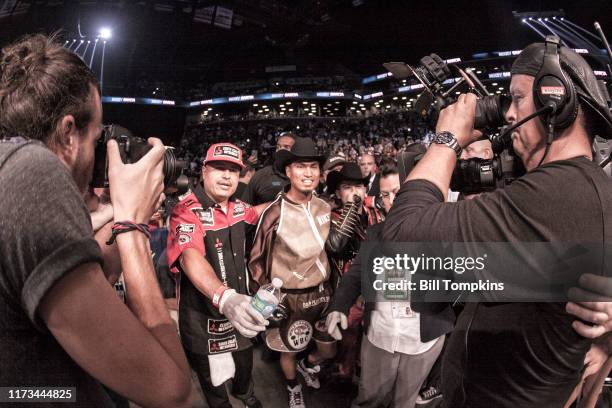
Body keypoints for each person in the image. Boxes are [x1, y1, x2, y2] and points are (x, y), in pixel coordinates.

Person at [381, 37, 612, 407]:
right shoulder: (581, 183)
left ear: (557, 102)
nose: (507, 113)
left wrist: (447, 139)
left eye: (517, 98)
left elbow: (401, 237)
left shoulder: (555, 193)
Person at [0, 34, 191, 407]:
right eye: (97, 137)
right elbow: (172, 392)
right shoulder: (31, 171)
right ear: (69, 133)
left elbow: (87, 289)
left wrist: (119, 214)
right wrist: (133, 227)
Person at [327, 163, 452, 408]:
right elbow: (356, 274)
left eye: (399, 191)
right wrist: (338, 306)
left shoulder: (445, 231)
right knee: (369, 399)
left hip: (422, 340)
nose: (392, 200)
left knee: (403, 402)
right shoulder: (375, 234)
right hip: (380, 336)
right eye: (385, 194)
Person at [166, 143, 270, 408]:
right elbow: (190, 256)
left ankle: (246, 396)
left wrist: (291, 199)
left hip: (241, 314)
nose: (226, 176)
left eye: (233, 171)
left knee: (245, 369)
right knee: (213, 385)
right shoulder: (186, 211)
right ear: (203, 170)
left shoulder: (238, 208)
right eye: (219, 168)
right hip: (203, 321)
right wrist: (225, 297)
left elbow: (259, 212)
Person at [248, 137, 336, 408]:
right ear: (288, 171)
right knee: (288, 350)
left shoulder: (325, 206)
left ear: (320, 173)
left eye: (313, 167)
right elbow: (255, 261)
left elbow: (331, 250)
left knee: (327, 349)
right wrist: (263, 300)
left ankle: (308, 366)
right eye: (301, 166)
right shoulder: (274, 212)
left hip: (322, 293)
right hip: (289, 298)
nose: (308, 173)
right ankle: (292, 386)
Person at [324, 162, 383, 380]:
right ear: (338, 193)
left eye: (358, 186)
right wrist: (350, 209)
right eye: (348, 187)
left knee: (372, 336)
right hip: (347, 288)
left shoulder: (376, 212)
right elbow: (336, 246)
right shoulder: (331, 217)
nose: (355, 192)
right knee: (347, 338)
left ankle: (365, 372)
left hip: (376, 286)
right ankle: (346, 375)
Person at [243, 131, 296, 205]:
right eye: (278, 147)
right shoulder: (261, 176)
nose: (280, 150)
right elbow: (245, 208)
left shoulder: (304, 176)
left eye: (286, 147)